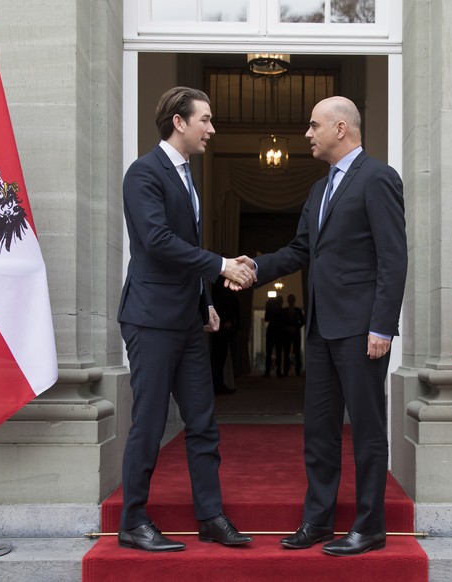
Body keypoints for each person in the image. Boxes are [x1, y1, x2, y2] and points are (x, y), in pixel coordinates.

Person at [241, 96, 407, 557]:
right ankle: (317, 520)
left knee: (369, 430)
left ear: (340, 128)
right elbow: (298, 251)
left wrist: (382, 326)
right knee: (318, 430)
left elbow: (394, 258)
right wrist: (252, 267)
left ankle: (370, 526)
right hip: (320, 330)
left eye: (313, 126)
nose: (307, 135)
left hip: (361, 331)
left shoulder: (378, 178)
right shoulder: (318, 191)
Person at [117, 86, 255, 552]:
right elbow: (157, 241)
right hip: (150, 319)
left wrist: (206, 303)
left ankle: (210, 516)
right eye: (206, 120)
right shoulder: (143, 173)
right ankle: (132, 520)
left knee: (202, 422)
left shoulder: (187, 175)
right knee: (151, 423)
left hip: (187, 320)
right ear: (179, 121)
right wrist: (219, 267)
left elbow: (182, 249)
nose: (212, 129)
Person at [210, 277, 240, 394]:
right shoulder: (219, 284)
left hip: (227, 327)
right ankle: (217, 384)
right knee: (218, 357)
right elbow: (220, 303)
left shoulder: (226, 283)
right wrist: (224, 321)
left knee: (221, 357)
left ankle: (219, 383)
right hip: (221, 327)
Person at [263, 295, 287, 376]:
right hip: (275, 334)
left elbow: (267, 319)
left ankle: (272, 371)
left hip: (276, 334)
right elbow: (266, 318)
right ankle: (273, 371)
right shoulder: (277, 311)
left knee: (275, 353)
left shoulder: (281, 311)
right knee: (273, 353)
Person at [284, 294, 305, 375]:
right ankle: (286, 370)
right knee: (286, 352)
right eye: (289, 299)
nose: (290, 301)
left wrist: (296, 327)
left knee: (297, 352)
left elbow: (302, 321)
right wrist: (287, 328)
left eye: (292, 299)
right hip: (287, 334)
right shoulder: (285, 310)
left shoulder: (298, 310)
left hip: (296, 333)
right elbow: (282, 322)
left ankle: (298, 370)